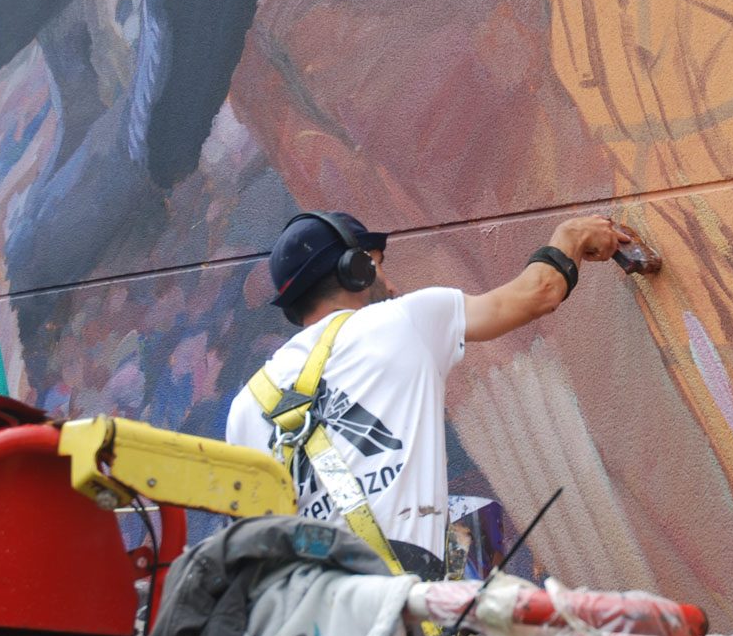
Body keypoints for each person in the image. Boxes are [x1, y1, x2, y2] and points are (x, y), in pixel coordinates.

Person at [225, 210, 629, 580]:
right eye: (381, 268)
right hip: (402, 613)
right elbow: (538, 292)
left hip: (311, 633)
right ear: (358, 270)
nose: (394, 285)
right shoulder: (402, 320)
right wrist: (572, 236)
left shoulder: (247, 406)